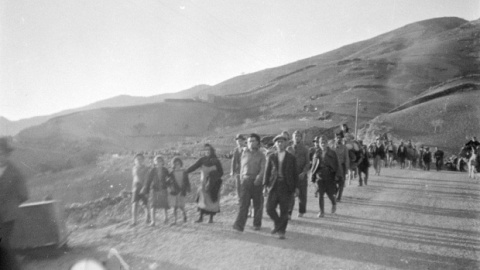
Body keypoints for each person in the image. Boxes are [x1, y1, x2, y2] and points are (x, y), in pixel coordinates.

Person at [0, 137, 28, 270]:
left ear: (7, 154)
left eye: (1, 153)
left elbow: (24, 194)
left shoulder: (15, 172)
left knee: (3, 242)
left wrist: (10, 204)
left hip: (8, 215)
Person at [264, 134, 298, 239]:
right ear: (275, 144)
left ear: (286, 143)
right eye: (278, 142)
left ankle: (281, 232)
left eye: (282, 142)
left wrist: (296, 188)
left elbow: (295, 174)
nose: (280, 144)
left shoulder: (291, 158)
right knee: (269, 208)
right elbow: (267, 172)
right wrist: (265, 186)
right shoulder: (271, 157)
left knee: (284, 210)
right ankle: (279, 224)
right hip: (274, 185)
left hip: (286, 186)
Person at [233, 133, 266, 232]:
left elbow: (263, 169)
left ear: (258, 143)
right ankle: (239, 225)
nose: (251, 143)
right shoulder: (244, 153)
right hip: (246, 182)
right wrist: (242, 178)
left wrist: (258, 179)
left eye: (253, 141)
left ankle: (257, 224)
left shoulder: (261, 155)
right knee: (244, 204)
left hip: (256, 182)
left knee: (257, 205)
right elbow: (242, 167)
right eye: (249, 141)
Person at [186, 144, 224, 223]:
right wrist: (186, 172)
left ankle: (211, 219)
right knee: (202, 200)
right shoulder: (202, 160)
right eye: (205, 150)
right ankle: (201, 218)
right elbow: (194, 166)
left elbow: (221, 173)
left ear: (212, 151)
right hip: (203, 183)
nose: (207, 152)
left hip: (213, 184)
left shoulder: (216, 161)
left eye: (208, 150)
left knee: (212, 200)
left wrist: (213, 176)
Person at [311, 135, 340, 217]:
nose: (322, 144)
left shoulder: (332, 153)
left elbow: (337, 165)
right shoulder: (317, 153)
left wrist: (337, 176)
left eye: (324, 142)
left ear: (327, 143)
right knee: (320, 194)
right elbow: (313, 166)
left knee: (330, 194)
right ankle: (321, 212)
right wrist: (312, 177)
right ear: (319, 144)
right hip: (319, 176)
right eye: (321, 142)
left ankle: (333, 203)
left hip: (330, 176)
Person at [286, 130, 310, 218]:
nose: (297, 138)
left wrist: (304, 172)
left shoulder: (305, 149)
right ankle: (289, 212)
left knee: (302, 194)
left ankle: (301, 211)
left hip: (301, 175)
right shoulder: (289, 148)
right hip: (291, 175)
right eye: (295, 136)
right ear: (292, 138)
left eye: (299, 136)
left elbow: (308, 163)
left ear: (301, 137)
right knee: (290, 194)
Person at [145, 155, 170, 226]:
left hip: (163, 189)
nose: (158, 162)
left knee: (165, 204)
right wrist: (147, 189)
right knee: (153, 205)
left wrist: (168, 184)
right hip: (154, 189)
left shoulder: (165, 170)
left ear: (162, 162)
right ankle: (153, 221)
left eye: (160, 161)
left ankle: (166, 218)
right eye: (157, 161)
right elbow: (149, 180)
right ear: (154, 162)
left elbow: (169, 179)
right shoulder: (152, 170)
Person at [167, 157, 191, 225]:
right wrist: (170, 188)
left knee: (181, 206)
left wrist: (188, 188)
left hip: (182, 191)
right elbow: (168, 182)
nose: (177, 165)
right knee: (175, 207)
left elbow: (187, 181)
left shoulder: (184, 172)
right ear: (173, 165)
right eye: (175, 164)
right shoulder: (171, 173)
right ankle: (175, 221)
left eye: (178, 164)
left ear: (181, 164)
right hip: (175, 191)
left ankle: (184, 214)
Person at [130, 153, 151, 226]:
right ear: (134, 161)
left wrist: (144, 187)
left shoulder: (146, 168)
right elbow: (134, 178)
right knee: (134, 203)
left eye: (140, 159)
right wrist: (133, 188)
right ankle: (134, 221)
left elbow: (146, 179)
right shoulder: (134, 168)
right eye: (137, 159)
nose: (139, 160)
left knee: (145, 204)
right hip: (136, 187)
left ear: (143, 160)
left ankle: (147, 218)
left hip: (143, 187)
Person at [332, 134, 349, 202]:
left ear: (341, 139)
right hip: (334, 167)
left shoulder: (345, 148)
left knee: (341, 183)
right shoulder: (332, 147)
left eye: (340, 138)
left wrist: (347, 169)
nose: (338, 139)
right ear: (335, 139)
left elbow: (346, 158)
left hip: (342, 167)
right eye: (337, 138)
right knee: (333, 182)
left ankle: (339, 197)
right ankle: (335, 193)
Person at [230, 134, 245, 204]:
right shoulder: (236, 150)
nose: (239, 142)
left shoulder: (246, 149)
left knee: (245, 186)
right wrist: (232, 171)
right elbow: (233, 161)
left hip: (246, 171)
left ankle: (246, 199)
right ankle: (240, 199)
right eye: (238, 141)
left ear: (243, 141)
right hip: (238, 171)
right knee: (238, 186)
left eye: (240, 141)